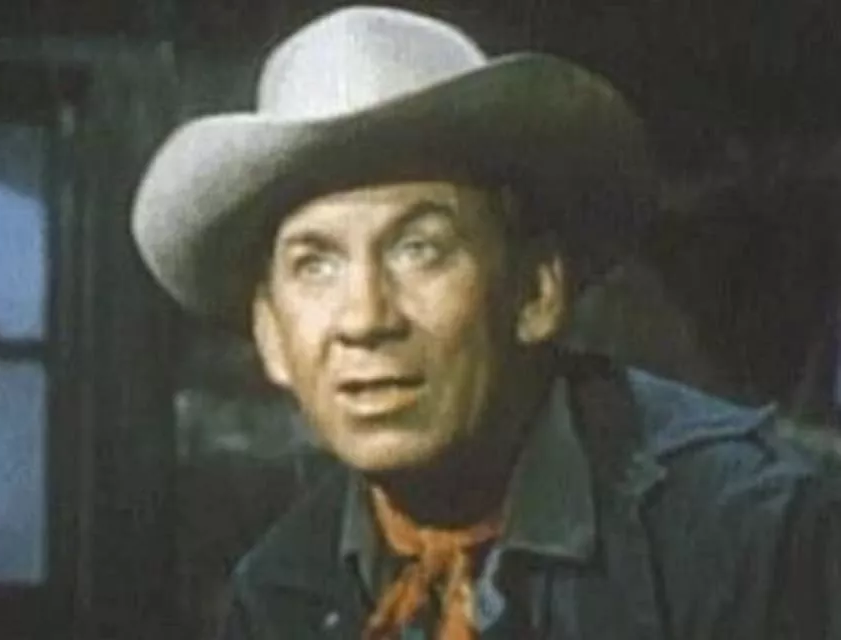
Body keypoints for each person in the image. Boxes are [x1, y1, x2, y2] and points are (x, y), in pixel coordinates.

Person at [132, 6, 840, 639]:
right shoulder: (283, 590)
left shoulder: (751, 536)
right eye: (315, 264)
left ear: (535, 290)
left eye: (419, 248)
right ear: (271, 336)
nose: (365, 319)